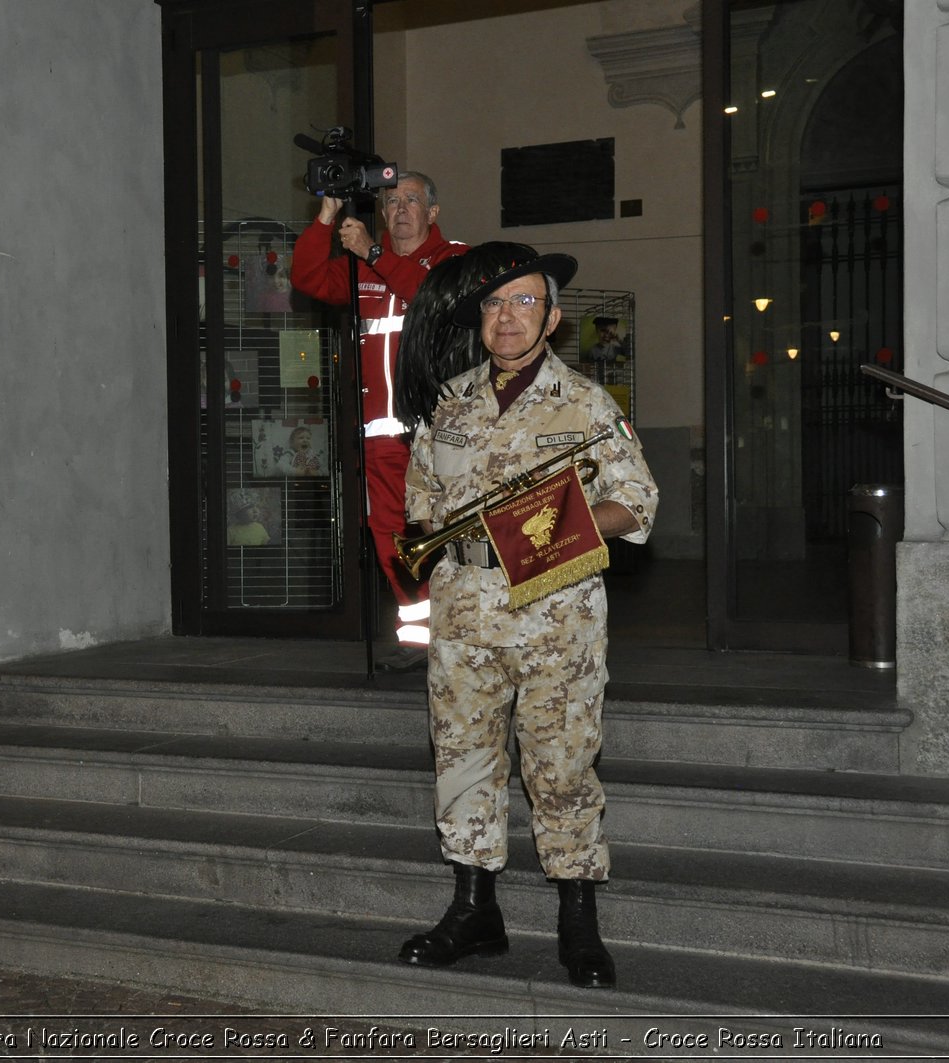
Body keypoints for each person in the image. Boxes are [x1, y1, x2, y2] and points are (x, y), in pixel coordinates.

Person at [399, 243, 658, 988]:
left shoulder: (586, 404)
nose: (505, 317)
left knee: (562, 765)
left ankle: (577, 922)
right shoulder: (448, 406)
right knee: (462, 759)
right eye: (492, 304)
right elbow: (421, 504)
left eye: (522, 302)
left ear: (551, 317)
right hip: (463, 614)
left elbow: (638, 501)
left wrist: (555, 527)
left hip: (555, 617)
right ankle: (474, 910)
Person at [291, 172, 468, 653]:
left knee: (451, 529)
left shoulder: (454, 258)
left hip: (441, 433)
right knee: (389, 535)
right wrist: (326, 215)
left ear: (432, 212)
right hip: (380, 438)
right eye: (391, 202)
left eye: (411, 200)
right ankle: (421, 642)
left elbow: (435, 302)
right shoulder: (360, 268)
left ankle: (463, 633)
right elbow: (306, 277)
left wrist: (374, 253)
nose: (400, 208)